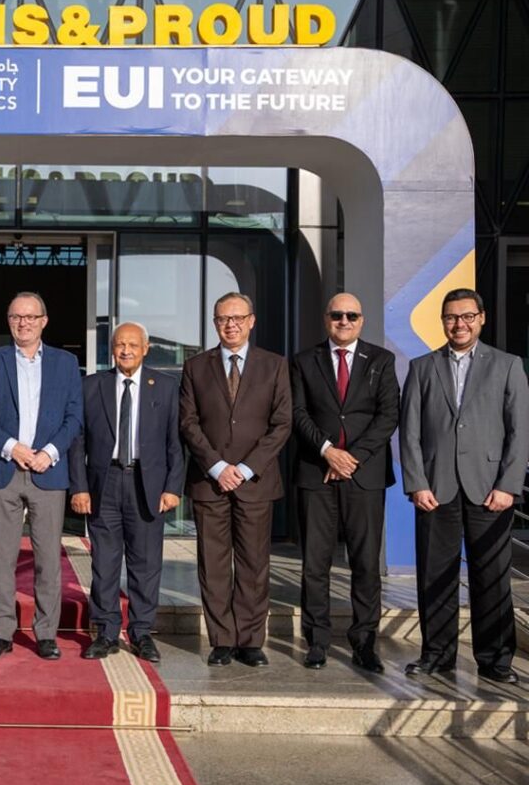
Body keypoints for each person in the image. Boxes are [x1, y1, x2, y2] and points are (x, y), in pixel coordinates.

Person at [400, 288, 529, 684]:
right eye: (452, 317)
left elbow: (519, 432)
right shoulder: (422, 367)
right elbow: (410, 432)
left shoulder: (507, 365)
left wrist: (508, 485)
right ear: (443, 321)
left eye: (467, 316)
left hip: (490, 490)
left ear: (481, 318)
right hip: (435, 490)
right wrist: (417, 483)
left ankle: (495, 660)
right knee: (434, 576)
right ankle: (437, 656)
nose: (459, 324)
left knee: (492, 576)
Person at [179, 292, 291, 668]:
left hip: (254, 481)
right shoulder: (195, 367)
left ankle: (250, 640)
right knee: (213, 564)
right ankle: (222, 640)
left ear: (251, 321)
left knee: (254, 564)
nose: (231, 325)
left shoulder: (274, 365)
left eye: (238, 318)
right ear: (215, 323)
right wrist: (217, 466)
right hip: (209, 481)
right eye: (223, 319)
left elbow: (281, 424)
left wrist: (244, 468)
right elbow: (188, 423)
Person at [0, 292, 82, 661]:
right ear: (9, 320)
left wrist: (50, 452)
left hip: (48, 470)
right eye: (17, 316)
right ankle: (1, 630)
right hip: (4, 468)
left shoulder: (66, 363)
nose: (24, 323)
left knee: (48, 557)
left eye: (31, 317)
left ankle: (46, 633)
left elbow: (74, 417)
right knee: (0, 556)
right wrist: (12, 447)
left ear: (44, 321)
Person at [291, 293, 399, 673]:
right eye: (337, 315)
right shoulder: (304, 361)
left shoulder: (381, 360)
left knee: (366, 563)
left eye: (351, 315)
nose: (344, 321)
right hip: (316, 473)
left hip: (364, 476)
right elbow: (297, 412)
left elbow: (388, 416)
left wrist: (351, 458)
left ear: (361, 320)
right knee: (315, 564)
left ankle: (365, 644)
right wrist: (327, 451)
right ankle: (317, 642)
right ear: (326, 319)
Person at [69, 322, 184, 663]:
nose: (126, 350)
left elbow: (175, 443)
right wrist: (80, 487)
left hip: (147, 485)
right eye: (120, 344)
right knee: (104, 562)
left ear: (146, 348)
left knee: (145, 563)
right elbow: (78, 443)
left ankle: (142, 632)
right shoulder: (92, 386)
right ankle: (106, 632)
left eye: (133, 344)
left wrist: (172, 487)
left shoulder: (166, 387)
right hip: (104, 483)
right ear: (112, 348)